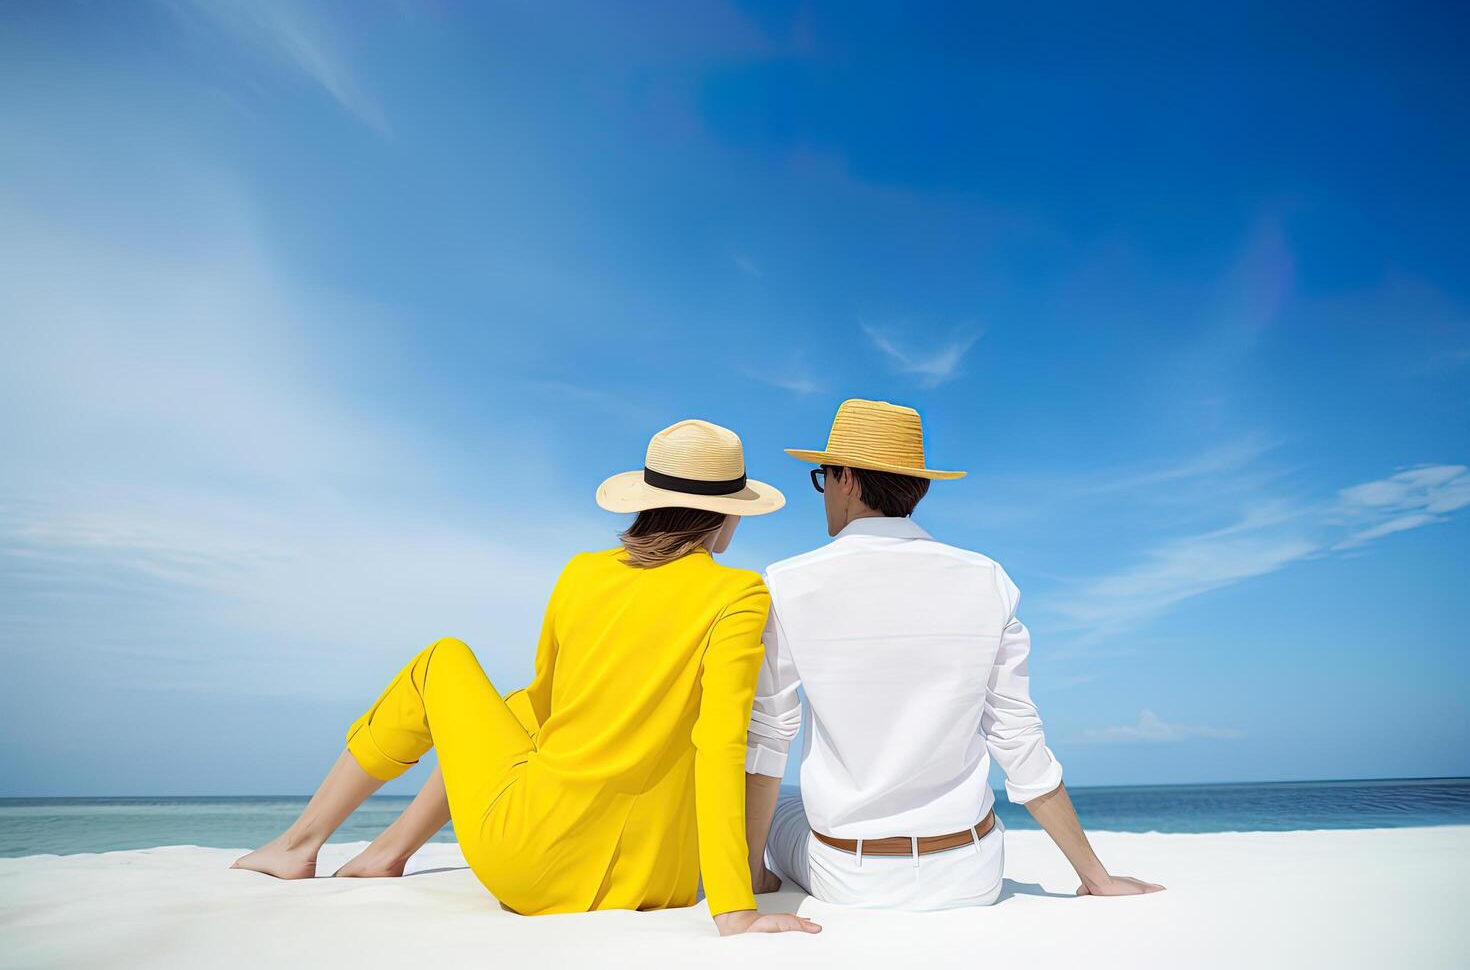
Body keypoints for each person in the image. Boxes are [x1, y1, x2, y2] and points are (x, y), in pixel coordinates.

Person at [232, 419, 821, 937]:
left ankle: (300, 844)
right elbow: (721, 743)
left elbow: (549, 706)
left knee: (443, 661)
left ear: (645, 500)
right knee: (515, 707)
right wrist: (732, 905)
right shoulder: (738, 593)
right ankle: (386, 851)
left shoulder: (583, 575)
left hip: (531, 865)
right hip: (655, 880)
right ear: (726, 514)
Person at [742, 398, 1164, 909]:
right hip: (971, 871)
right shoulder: (987, 579)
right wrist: (1095, 876)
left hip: (852, 875)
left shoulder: (788, 584)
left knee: (787, 803)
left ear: (847, 479)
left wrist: (750, 875)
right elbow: (1017, 737)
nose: (824, 493)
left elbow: (770, 735)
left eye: (822, 478)